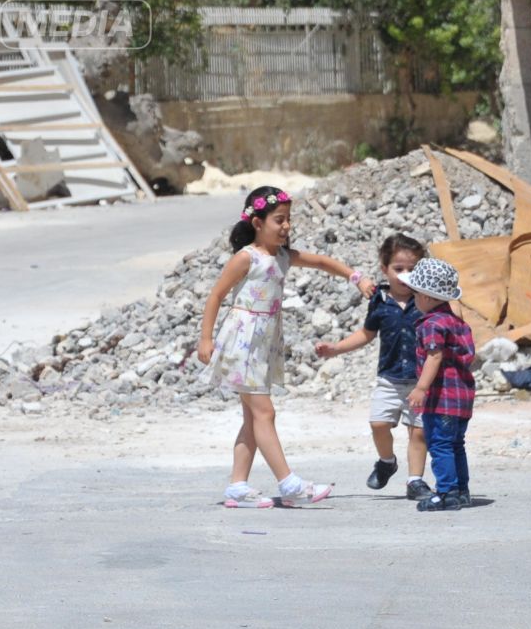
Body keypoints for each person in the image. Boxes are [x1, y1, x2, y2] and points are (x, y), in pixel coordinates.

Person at [197, 185, 377, 508]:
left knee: (253, 418)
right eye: (279, 220)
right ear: (257, 223)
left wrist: (357, 277)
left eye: (288, 220)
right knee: (265, 412)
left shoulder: (282, 257)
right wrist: (206, 338)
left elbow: (321, 262)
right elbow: (215, 296)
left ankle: (238, 487)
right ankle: (289, 483)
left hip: (262, 344)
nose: (286, 227)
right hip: (242, 341)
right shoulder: (246, 258)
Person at [315, 233, 432, 500]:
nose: (405, 275)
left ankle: (415, 481)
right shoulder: (379, 300)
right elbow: (367, 334)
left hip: (420, 381)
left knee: (419, 431)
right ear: (384, 269)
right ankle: (387, 461)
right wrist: (336, 348)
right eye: (398, 269)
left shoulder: (427, 300)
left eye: (412, 270)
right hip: (389, 379)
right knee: (378, 424)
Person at [400, 257, 476, 512]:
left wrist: (421, 388)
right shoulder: (456, 322)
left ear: (428, 297)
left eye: (416, 294)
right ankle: (462, 491)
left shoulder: (432, 324)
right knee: (456, 444)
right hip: (461, 398)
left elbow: (434, 355)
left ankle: (446, 493)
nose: (414, 299)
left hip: (442, 399)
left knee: (440, 444)